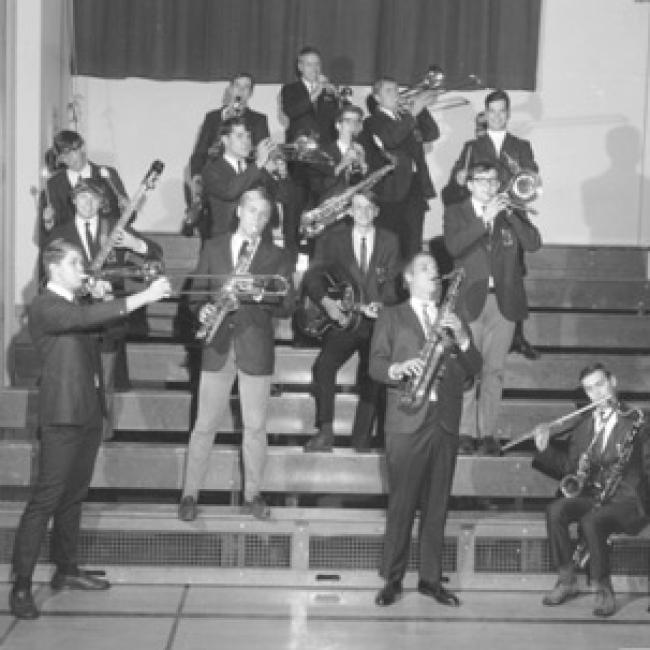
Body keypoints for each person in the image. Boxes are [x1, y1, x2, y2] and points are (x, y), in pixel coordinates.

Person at [9, 239, 170, 620]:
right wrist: (142, 296)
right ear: (55, 269)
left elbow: (107, 332)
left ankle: (66, 570)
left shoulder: (76, 305)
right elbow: (80, 321)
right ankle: (20, 584)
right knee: (45, 500)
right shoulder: (45, 305)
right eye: (75, 263)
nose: (83, 269)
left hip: (87, 414)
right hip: (62, 415)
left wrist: (109, 297)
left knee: (74, 497)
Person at [369, 252, 481, 607]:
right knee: (401, 503)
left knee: (437, 504)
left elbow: (473, 366)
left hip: (443, 419)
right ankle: (393, 578)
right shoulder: (392, 314)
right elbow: (374, 364)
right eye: (426, 269)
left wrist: (462, 338)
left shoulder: (453, 317)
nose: (434, 275)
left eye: (435, 270)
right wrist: (398, 368)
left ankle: (431, 579)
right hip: (406, 417)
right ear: (408, 279)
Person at [178, 187, 294, 523]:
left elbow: (288, 305)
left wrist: (258, 294)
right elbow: (195, 294)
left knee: (255, 427)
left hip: (255, 349)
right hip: (216, 345)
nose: (257, 218)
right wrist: (201, 310)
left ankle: (253, 495)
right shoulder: (213, 247)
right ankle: (189, 495)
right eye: (252, 210)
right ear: (239, 212)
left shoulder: (280, 256)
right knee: (204, 426)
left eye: (264, 213)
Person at [44, 179, 163, 440]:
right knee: (75, 383)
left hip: (107, 321)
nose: (88, 203)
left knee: (105, 384)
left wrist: (136, 245)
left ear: (102, 202)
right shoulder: (59, 235)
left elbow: (157, 259)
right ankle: (77, 438)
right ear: (73, 200)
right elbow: (47, 281)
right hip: (72, 323)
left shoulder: (116, 230)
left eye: (94, 198)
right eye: (82, 197)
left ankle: (101, 441)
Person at [532, 363, 650, 618]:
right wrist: (544, 449)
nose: (597, 394)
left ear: (613, 382)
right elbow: (569, 467)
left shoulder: (639, 421)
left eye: (600, 385)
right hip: (596, 496)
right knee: (556, 510)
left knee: (591, 520)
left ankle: (603, 589)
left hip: (628, 501)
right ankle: (567, 580)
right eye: (589, 389)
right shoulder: (584, 427)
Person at [444, 161, 542, 456]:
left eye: (492, 180)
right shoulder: (456, 212)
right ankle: (464, 432)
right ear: (469, 184)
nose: (488, 185)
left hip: (503, 301)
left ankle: (487, 433)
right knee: (467, 370)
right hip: (469, 301)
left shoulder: (509, 210)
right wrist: (483, 220)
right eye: (481, 180)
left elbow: (534, 243)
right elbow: (453, 247)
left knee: (494, 371)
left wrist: (511, 214)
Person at [301, 191, 400, 452]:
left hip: (376, 324)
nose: (364, 212)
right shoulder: (332, 239)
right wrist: (326, 303)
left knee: (375, 374)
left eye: (369, 207)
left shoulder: (391, 240)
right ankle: (325, 432)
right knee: (323, 366)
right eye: (358, 207)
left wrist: (383, 304)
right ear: (349, 211)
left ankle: (362, 438)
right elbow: (312, 277)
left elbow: (392, 286)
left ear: (377, 211)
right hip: (343, 320)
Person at [446, 90, 541, 360]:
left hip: (511, 214)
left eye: (502, 111)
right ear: (485, 115)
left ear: (508, 115)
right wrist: (459, 177)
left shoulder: (521, 146)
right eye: (492, 111)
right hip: (483, 215)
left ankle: (517, 336)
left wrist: (518, 178)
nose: (497, 116)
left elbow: (531, 178)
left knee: (514, 272)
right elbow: (457, 185)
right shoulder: (472, 146)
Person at [362, 77, 440, 260]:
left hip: (414, 187)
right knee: (391, 246)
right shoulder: (373, 121)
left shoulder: (407, 117)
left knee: (414, 243)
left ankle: (409, 286)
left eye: (396, 89)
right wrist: (413, 112)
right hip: (390, 191)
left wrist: (421, 110)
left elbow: (432, 133)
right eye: (389, 90)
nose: (396, 94)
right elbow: (391, 138)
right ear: (377, 98)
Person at [280, 46, 339, 212]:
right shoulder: (290, 89)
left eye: (317, 64)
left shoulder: (329, 91)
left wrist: (337, 97)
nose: (315, 68)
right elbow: (292, 111)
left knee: (318, 209)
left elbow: (338, 121)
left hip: (323, 159)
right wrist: (315, 93)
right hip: (299, 158)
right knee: (295, 209)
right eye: (310, 64)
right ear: (300, 67)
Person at [43, 130, 127, 231]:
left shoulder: (108, 175)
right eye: (63, 156)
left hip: (107, 242)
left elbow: (127, 217)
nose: (68, 159)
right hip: (70, 244)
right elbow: (49, 231)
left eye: (71, 152)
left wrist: (126, 209)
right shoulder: (53, 184)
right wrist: (48, 222)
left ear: (82, 148)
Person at [310, 104, 369, 202]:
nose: (353, 126)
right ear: (338, 126)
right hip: (333, 210)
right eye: (348, 121)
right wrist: (341, 165)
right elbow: (318, 188)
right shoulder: (323, 153)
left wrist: (363, 167)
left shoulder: (363, 150)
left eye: (357, 121)